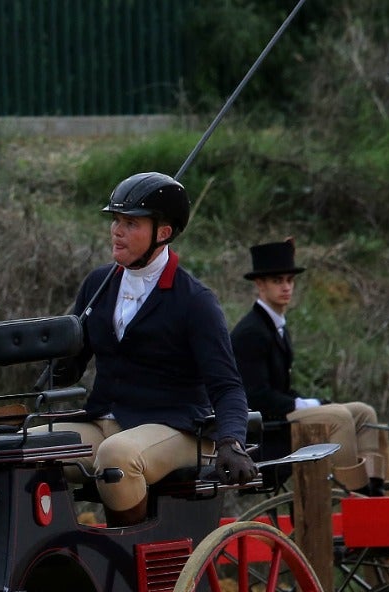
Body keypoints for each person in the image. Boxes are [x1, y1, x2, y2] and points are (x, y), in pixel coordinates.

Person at [50, 171, 256, 526]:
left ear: (163, 233)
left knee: (117, 459)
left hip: (174, 428)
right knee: (22, 449)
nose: (116, 231)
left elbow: (227, 386)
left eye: (130, 223)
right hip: (104, 421)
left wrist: (232, 441)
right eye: (115, 221)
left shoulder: (195, 301)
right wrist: (58, 364)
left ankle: (126, 560)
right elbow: (71, 359)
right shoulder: (99, 283)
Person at [230, 238, 389, 495]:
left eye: (290, 281)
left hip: (281, 414)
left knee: (364, 412)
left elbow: (280, 388)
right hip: (266, 428)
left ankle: (374, 487)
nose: (286, 287)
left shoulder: (277, 327)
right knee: (339, 417)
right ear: (260, 285)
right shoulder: (251, 331)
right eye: (278, 281)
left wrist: (308, 401)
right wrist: (304, 405)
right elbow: (256, 396)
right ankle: (348, 494)